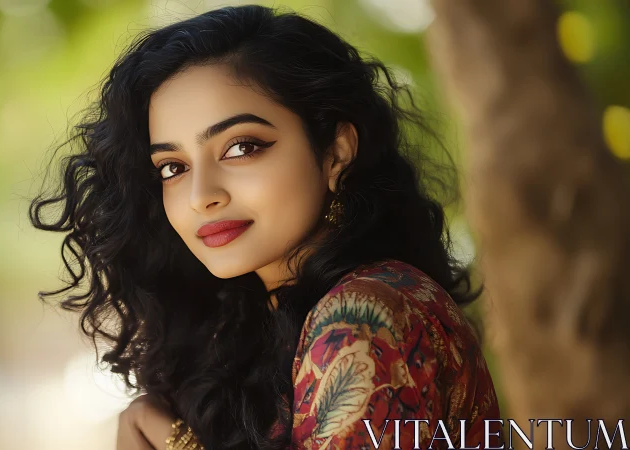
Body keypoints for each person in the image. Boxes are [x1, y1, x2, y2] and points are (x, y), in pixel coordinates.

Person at [29, 4, 501, 449]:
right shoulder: (261, 325)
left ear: (336, 152)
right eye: (173, 167)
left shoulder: (362, 316)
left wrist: (175, 440)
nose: (201, 196)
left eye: (242, 147)